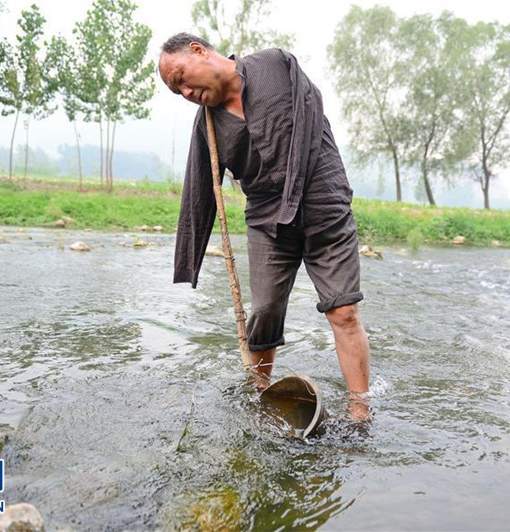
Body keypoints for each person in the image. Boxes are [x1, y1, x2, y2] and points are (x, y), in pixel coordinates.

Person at [158, 33, 371, 419]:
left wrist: (305, 185)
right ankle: (261, 400)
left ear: (198, 51)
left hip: (323, 204)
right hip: (267, 223)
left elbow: (313, 107)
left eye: (183, 78)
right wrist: (188, 262)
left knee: (344, 312)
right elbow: (199, 191)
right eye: (178, 91)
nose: (186, 91)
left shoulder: (275, 65)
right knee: (265, 312)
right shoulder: (207, 126)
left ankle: (360, 408)